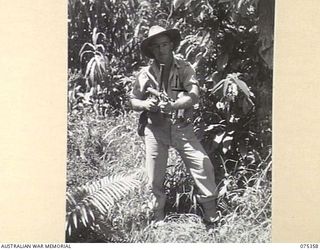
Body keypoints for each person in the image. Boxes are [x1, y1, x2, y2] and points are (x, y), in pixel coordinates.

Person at [130, 25, 218, 224]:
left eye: (164, 44)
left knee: (202, 164)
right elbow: (133, 100)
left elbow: (194, 95)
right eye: (156, 47)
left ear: (171, 45)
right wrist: (146, 104)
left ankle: (211, 215)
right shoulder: (145, 74)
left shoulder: (184, 67)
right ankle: (158, 217)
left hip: (181, 127)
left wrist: (176, 104)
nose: (161, 50)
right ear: (151, 50)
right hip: (155, 129)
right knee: (154, 177)